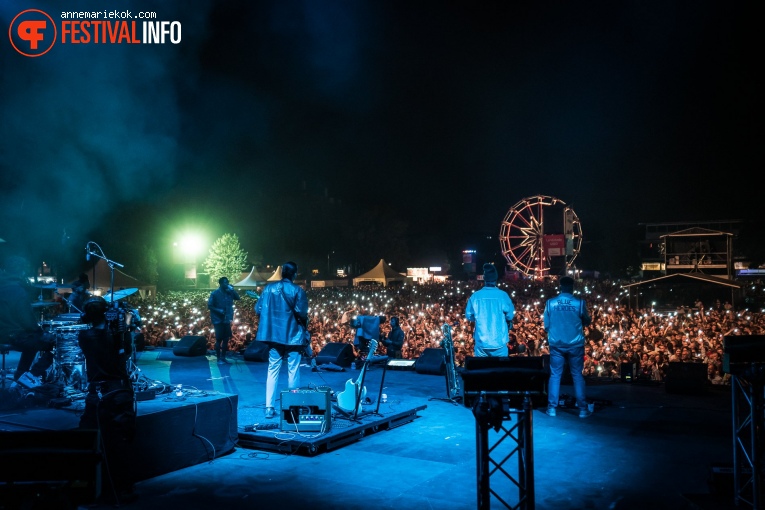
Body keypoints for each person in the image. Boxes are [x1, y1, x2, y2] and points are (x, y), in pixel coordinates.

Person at [77, 296, 137, 503]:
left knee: (87, 436)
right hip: (119, 391)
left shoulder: (84, 336)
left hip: (96, 394)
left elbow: (96, 335)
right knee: (121, 441)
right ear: (105, 312)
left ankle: (87, 486)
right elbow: (126, 353)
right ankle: (124, 488)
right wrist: (126, 325)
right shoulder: (119, 336)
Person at [254, 261, 308, 419]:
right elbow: (302, 313)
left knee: (272, 371)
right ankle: (292, 408)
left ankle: (269, 408)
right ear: (295, 273)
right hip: (294, 336)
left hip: (274, 336)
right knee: (293, 371)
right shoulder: (298, 290)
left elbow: (258, 309)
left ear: (282, 273)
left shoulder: (268, 289)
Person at [543, 276, 592, 418]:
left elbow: (546, 326)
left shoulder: (550, 303)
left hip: (556, 344)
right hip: (575, 344)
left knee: (555, 375)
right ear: (572, 287)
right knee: (577, 375)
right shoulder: (580, 303)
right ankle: (583, 409)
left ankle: (552, 408)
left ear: (560, 286)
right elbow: (587, 322)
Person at [0, 256, 55, 381]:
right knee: (53, 343)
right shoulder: (17, 290)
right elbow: (27, 321)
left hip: (3, 333)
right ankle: (27, 377)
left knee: (33, 340)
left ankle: (21, 374)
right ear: (22, 271)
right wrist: (41, 332)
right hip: (13, 334)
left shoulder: (2, 285)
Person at [465, 263, 515, 357]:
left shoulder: (475, 296)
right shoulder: (503, 295)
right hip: (499, 342)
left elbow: (469, 316)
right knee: (500, 370)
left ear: (484, 279)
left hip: (481, 342)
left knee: (482, 370)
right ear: (495, 279)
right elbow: (510, 316)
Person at [207, 277, 240, 364]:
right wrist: (219, 310)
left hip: (226, 319)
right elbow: (209, 305)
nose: (227, 284)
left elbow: (238, 298)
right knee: (219, 339)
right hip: (218, 319)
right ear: (221, 284)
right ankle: (218, 359)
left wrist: (232, 290)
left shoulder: (229, 292)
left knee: (226, 339)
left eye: (228, 282)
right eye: (225, 282)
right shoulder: (215, 293)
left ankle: (223, 357)